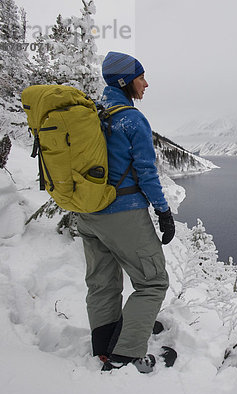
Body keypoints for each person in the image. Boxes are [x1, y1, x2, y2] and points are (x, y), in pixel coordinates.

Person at [76, 51, 176, 373]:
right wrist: (163, 211)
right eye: (141, 77)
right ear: (125, 81)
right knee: (153, 282)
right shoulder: (131, 119)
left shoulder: (93, 115)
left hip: (87, 213)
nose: (146, 83)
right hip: (123, 213)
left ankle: (105, 345)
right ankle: (126, 355)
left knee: (103, 282)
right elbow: (146, 172)